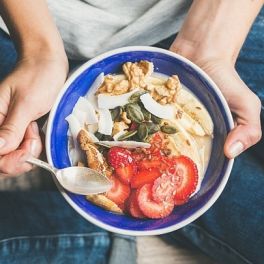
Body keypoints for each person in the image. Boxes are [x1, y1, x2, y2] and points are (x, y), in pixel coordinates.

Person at [0, 0, 263, 263]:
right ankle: (102, 241)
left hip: (194, 18)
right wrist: (38, 53)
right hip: (33, 26)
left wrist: (210, 45)